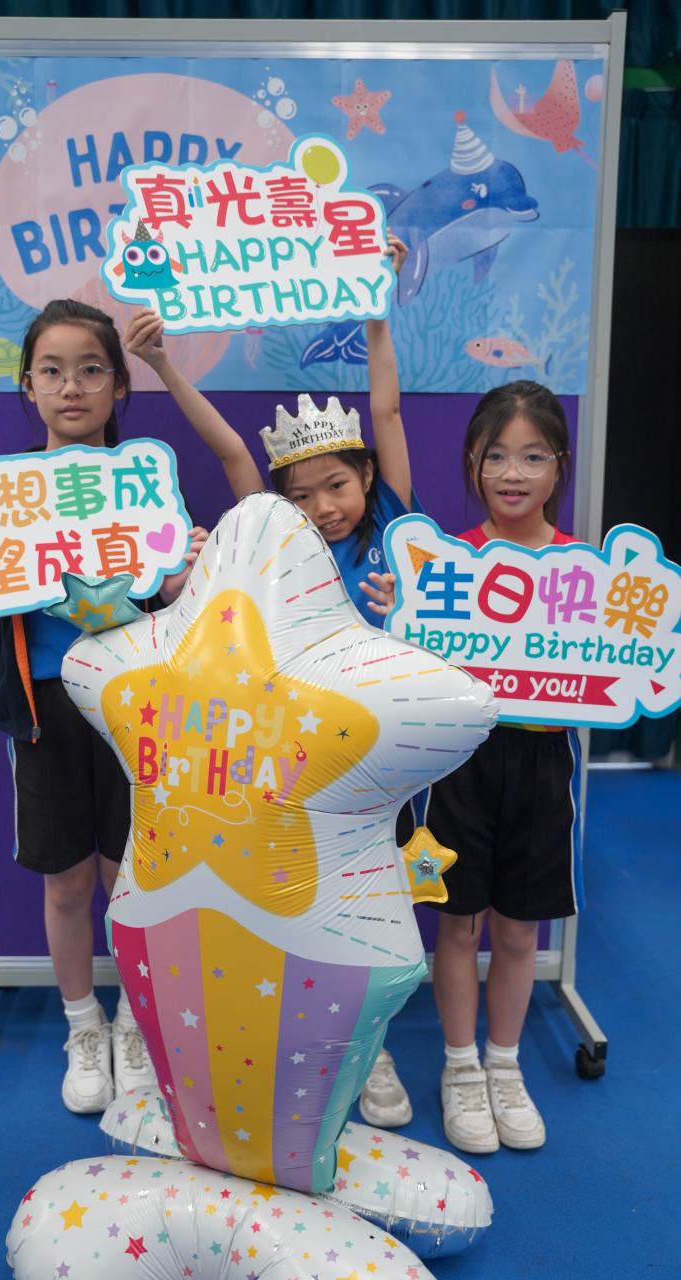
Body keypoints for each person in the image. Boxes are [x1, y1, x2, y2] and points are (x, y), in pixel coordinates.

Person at [0, 299, 209, 1116]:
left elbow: (188, 623)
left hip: (136, 714)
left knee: (134, 882)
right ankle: (81, 1023)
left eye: (91, 370)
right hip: (45, 717)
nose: (71, 387)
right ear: (27, 387)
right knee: (66, 883)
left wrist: (184, 585)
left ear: (119, 383)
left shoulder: (146, 492)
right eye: (52, 372)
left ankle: (135, 1020)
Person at [122, 233, 416, 1129]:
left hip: (384, 758)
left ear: (367, 478)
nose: (324, 507)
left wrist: (375, 310)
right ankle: (308, 1037)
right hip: (297, 765)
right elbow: (231, 461)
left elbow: (387, 407)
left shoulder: (394, 528)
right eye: (303, 495)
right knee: (309, 900)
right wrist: (162, 366)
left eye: (338, 485)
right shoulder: (274, 549)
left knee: (379, 895)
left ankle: (374, 1048)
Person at [419, 380, 579, 1153]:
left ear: (559, 467)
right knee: (458, 921)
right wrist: (398, 607)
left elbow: (615, 665)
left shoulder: (587, 572)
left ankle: (504, 1065)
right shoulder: (444, 564)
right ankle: (459, 1067)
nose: (512, 473)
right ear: (472, 464)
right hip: (461, 758)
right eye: (495, 457)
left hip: (543, 761)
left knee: (519, 930)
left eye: (532, 456)